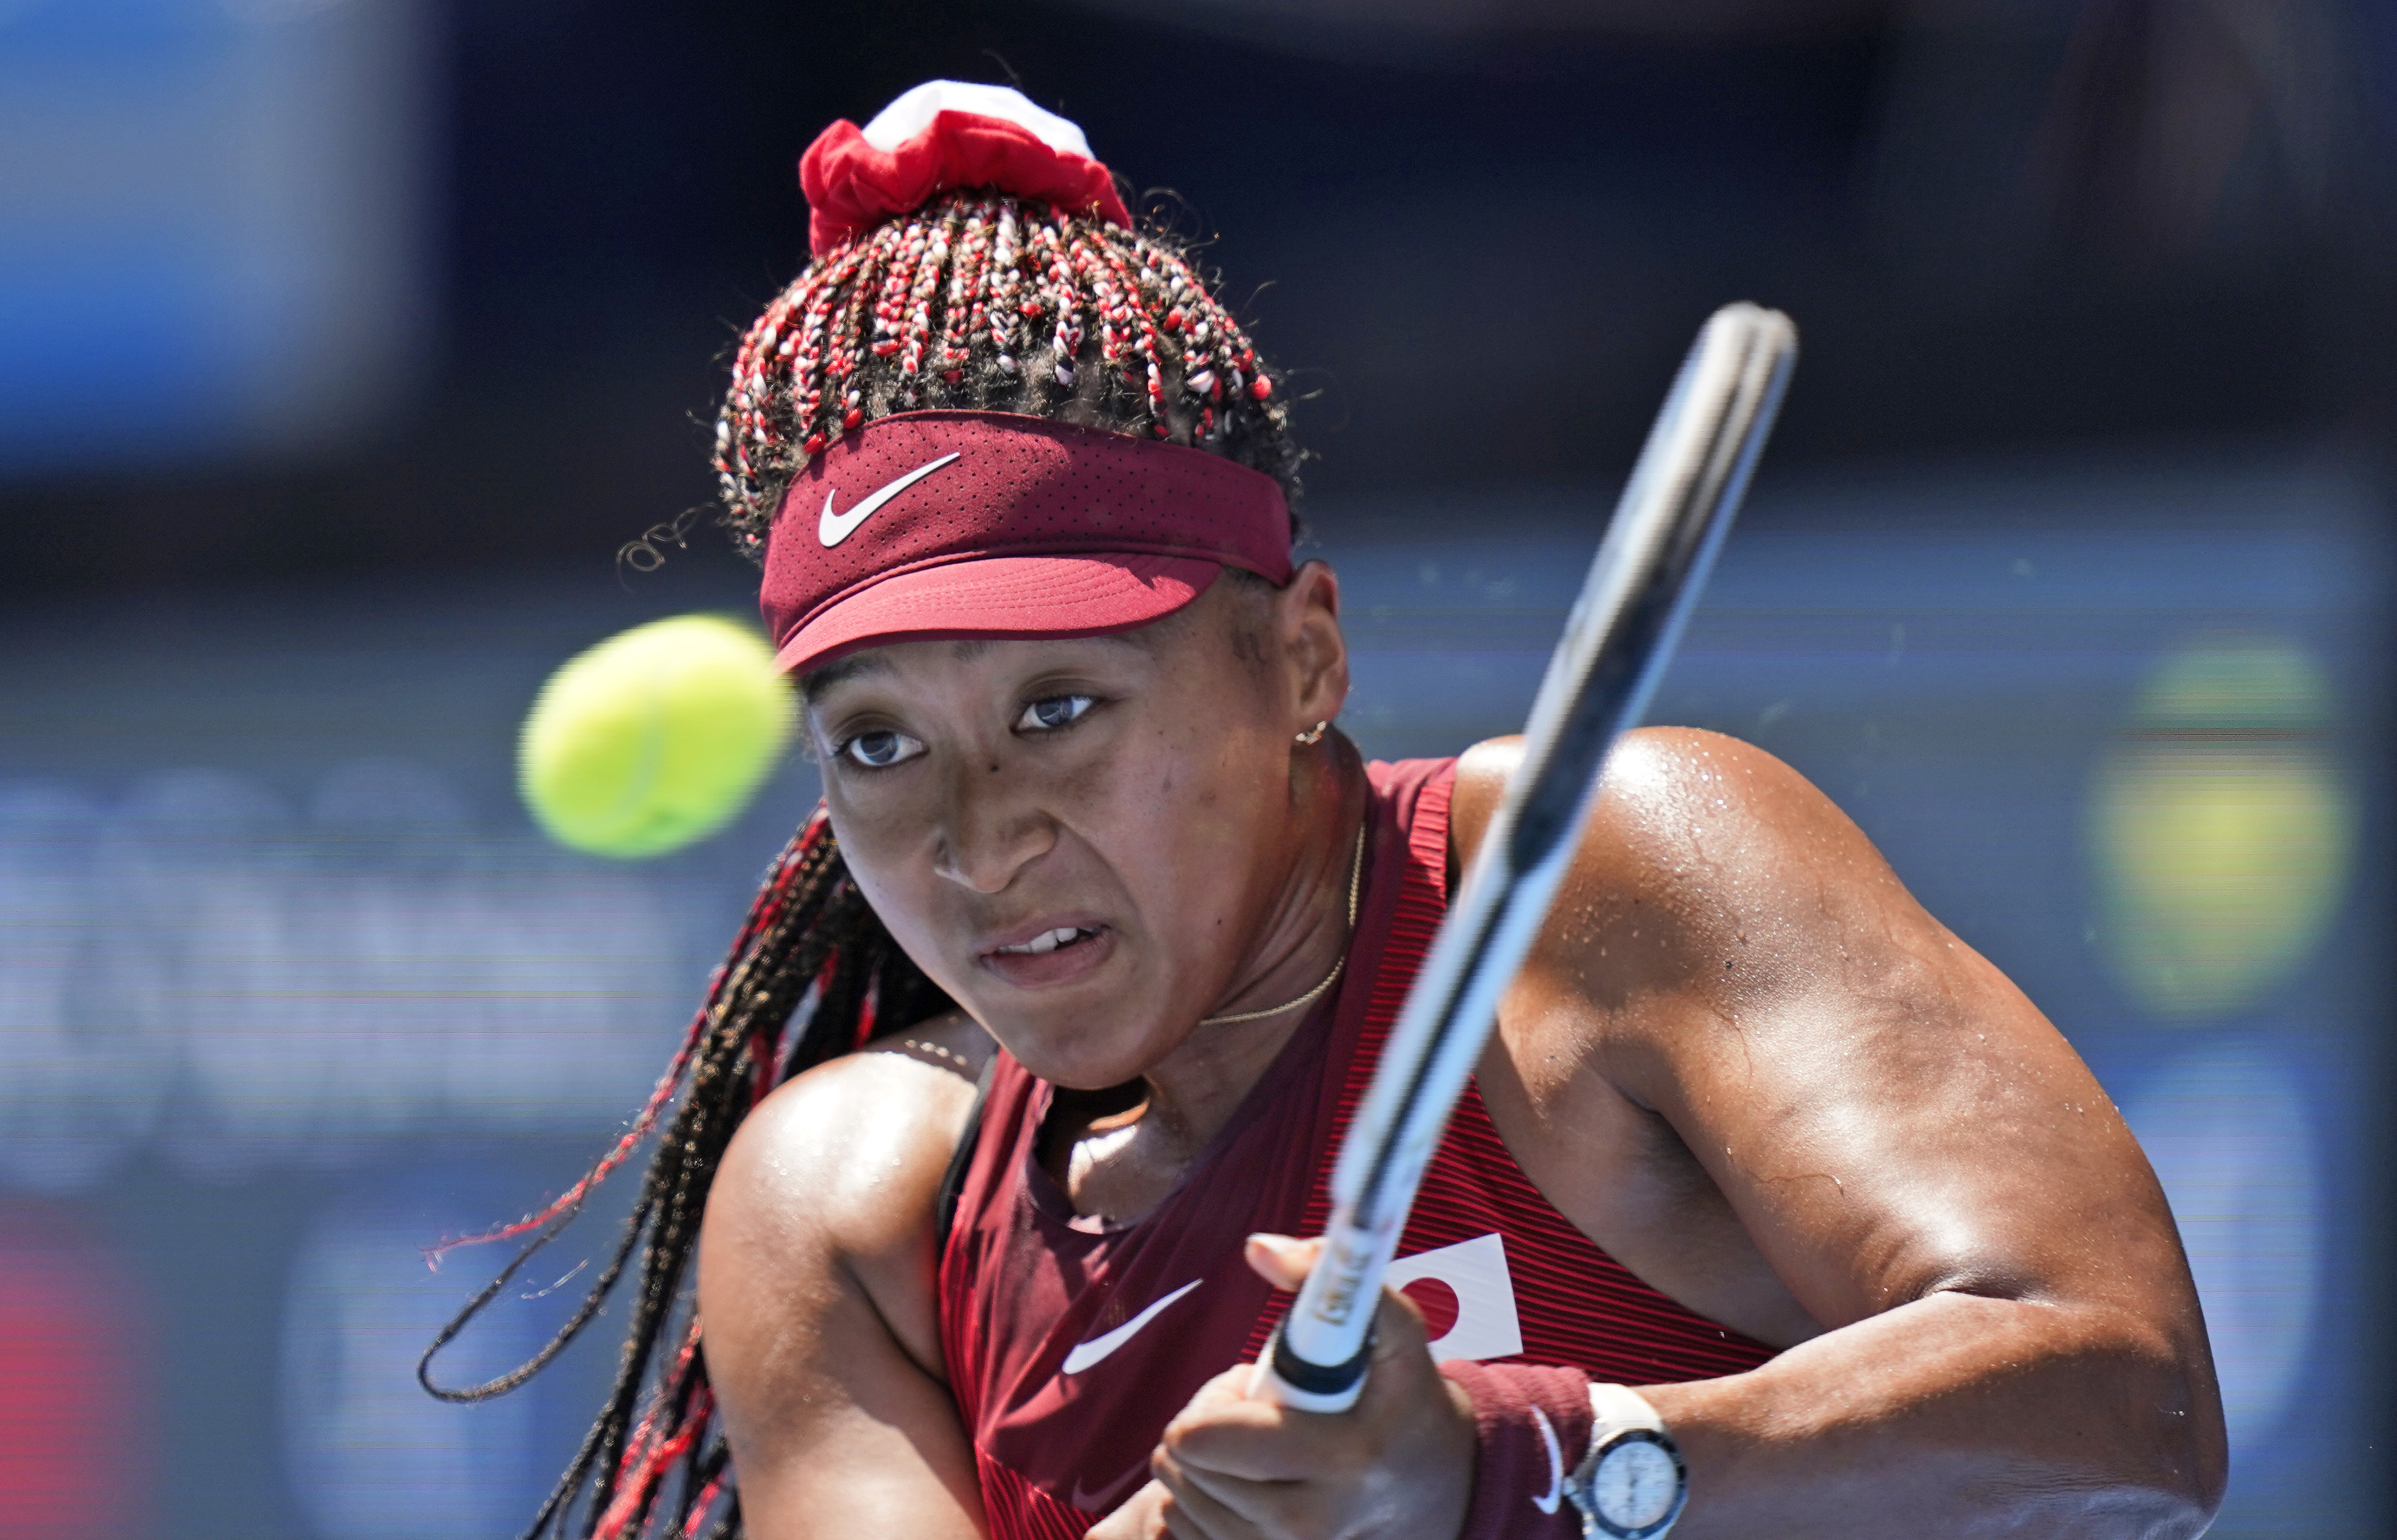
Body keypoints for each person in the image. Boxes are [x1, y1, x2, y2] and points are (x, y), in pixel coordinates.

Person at [424, 82, 2224, 1540]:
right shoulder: (849, 1208)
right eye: (881, 745)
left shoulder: (1602, 873)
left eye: (1057, 708)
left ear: (1301, 657)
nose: (976, 839)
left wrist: (1525, 1467)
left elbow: (2121, 1395)